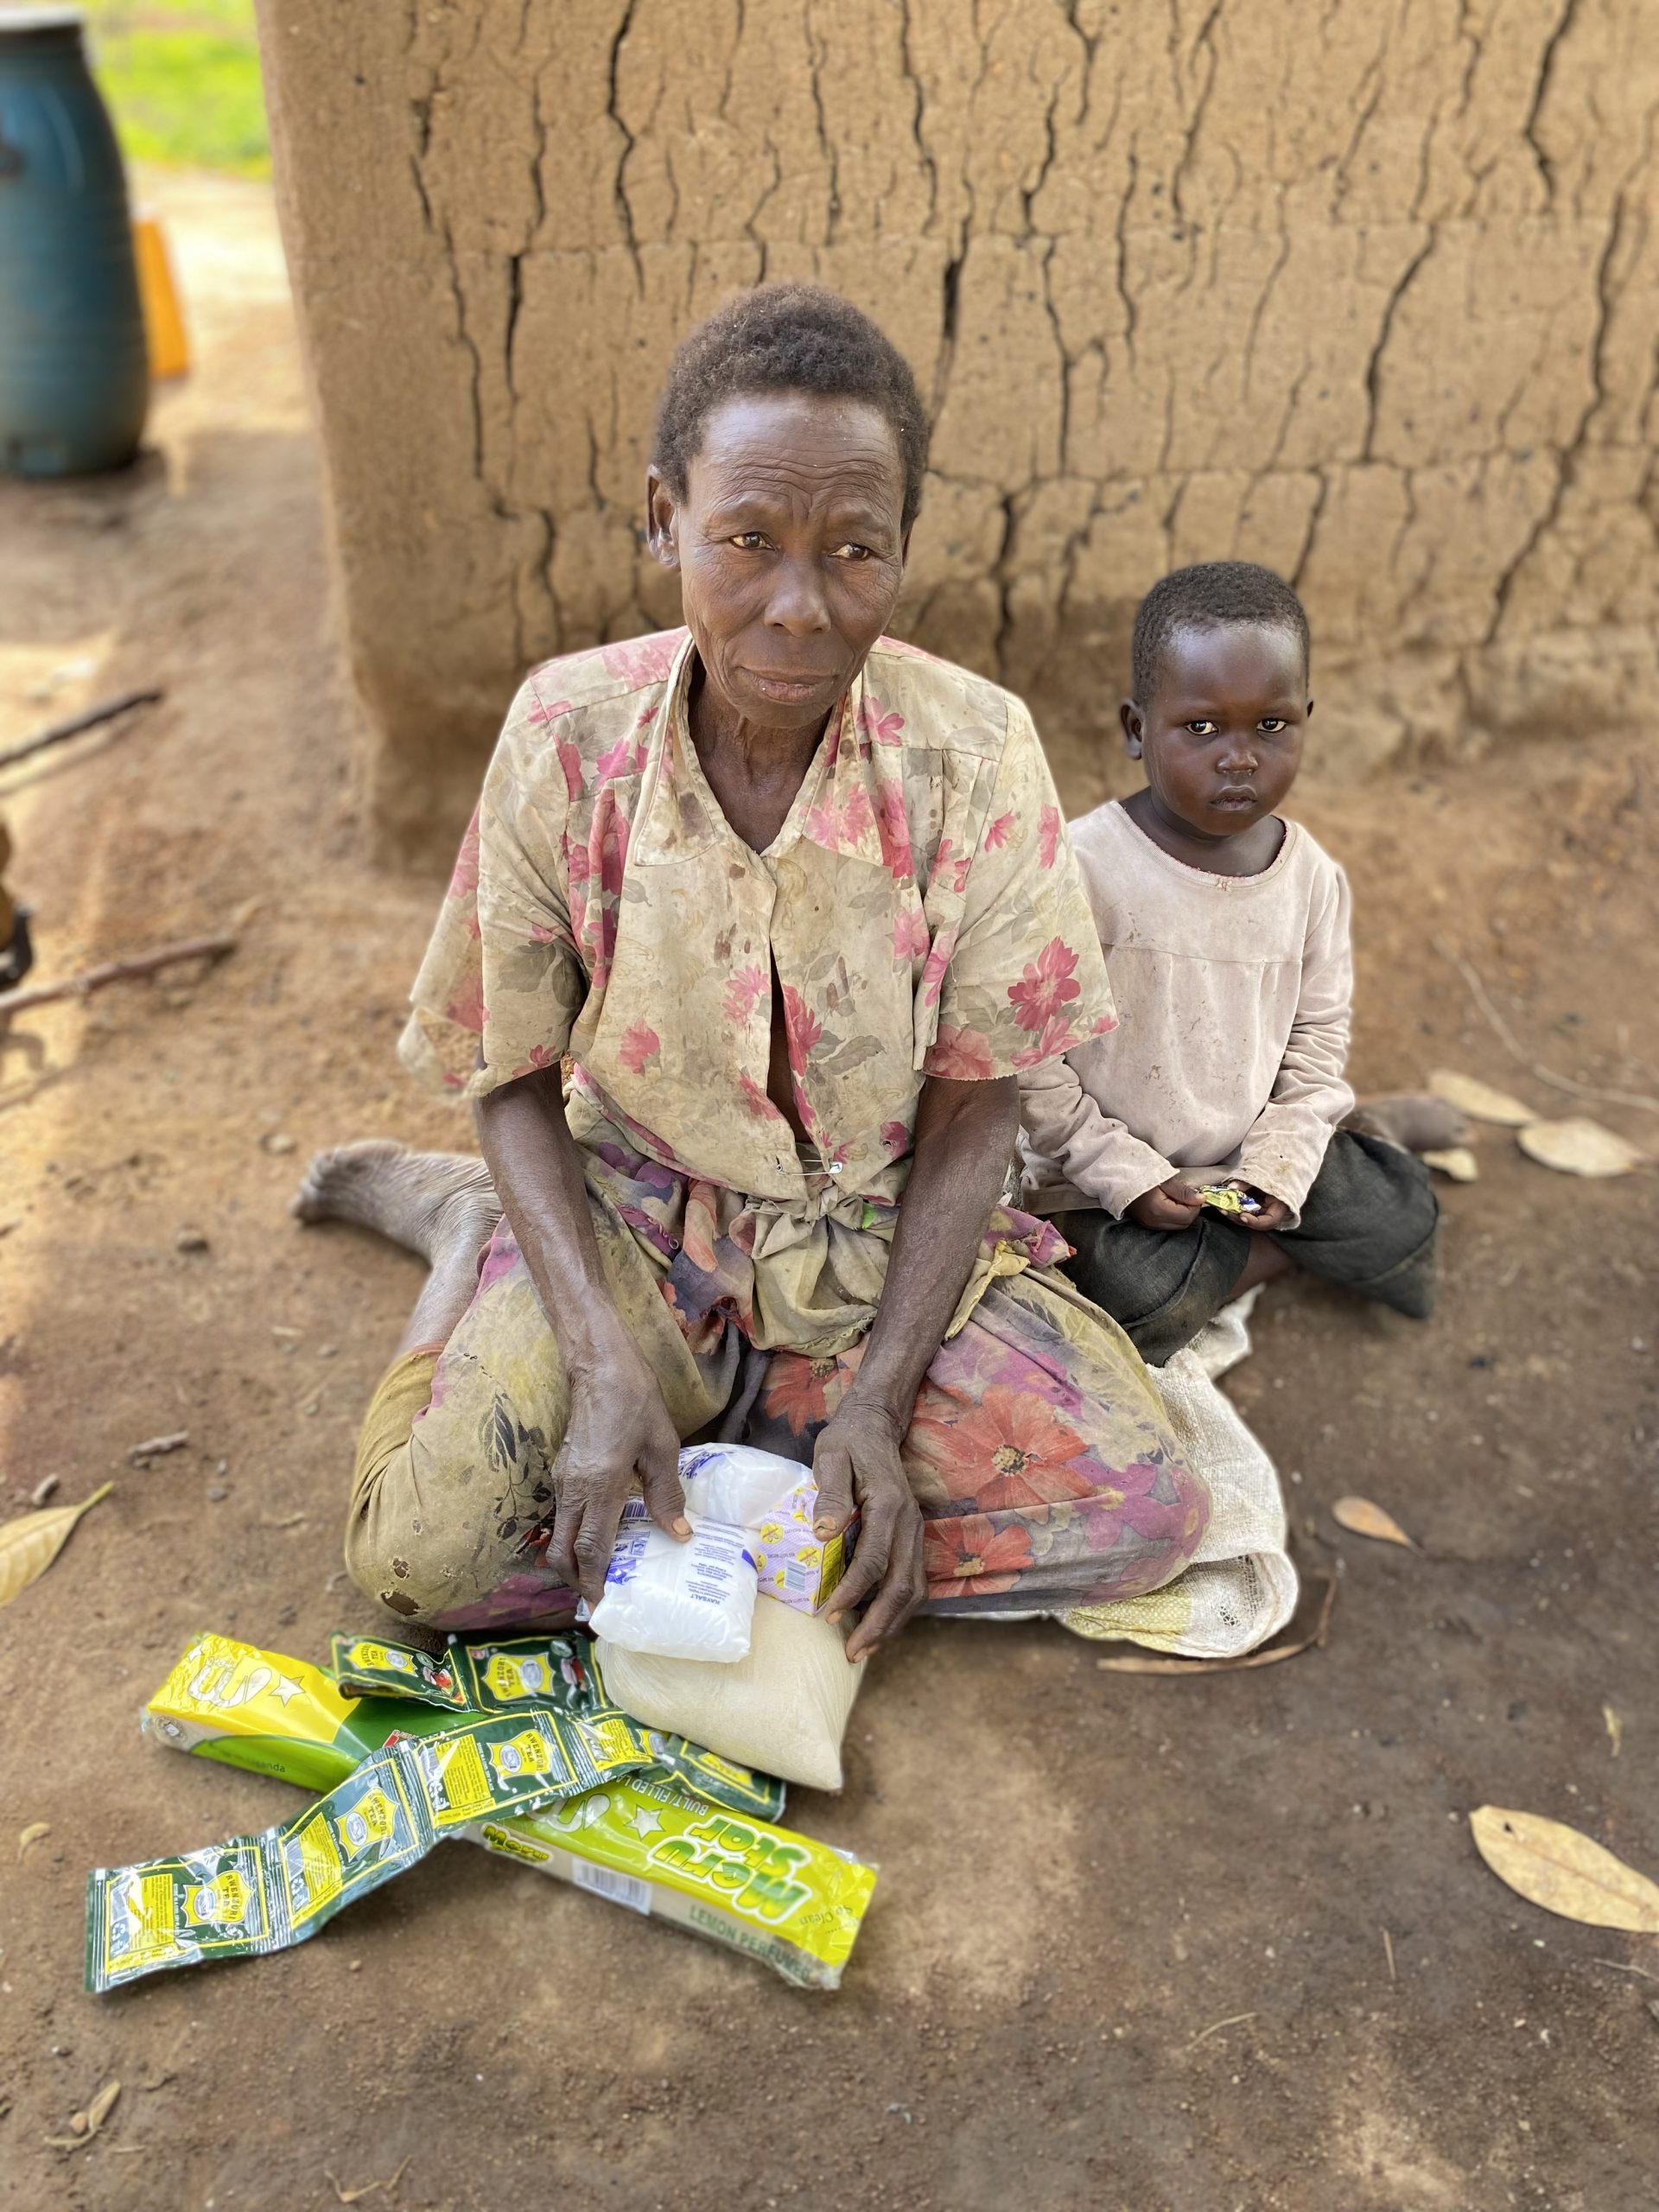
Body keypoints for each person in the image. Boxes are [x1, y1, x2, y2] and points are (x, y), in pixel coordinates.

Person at [297, 284, 1211, 1662]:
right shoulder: (568, 735)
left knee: (1146, 1508)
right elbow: (512, 1071)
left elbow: (978, 1110)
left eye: (856, 550)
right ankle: (472, 1238)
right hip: (633, 1218)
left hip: (873, 1243)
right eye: (746, 540)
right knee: (421, 1560)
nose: (799, 606)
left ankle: (765, 1430)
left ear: (901, 549)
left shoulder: (973, 754)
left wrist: (880, 1404)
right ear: (664, 514)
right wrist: (601, 1363)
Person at [1019, 561, 1440, 1366]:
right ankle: (1259, 1261)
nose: (1240, 758)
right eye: (1203, 728)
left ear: (1306, 720)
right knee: (1121, 1303)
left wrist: (1279, 1173)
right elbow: (1033, 1068)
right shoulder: (1079, 869)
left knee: (1404, 1215)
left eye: (1271, 726)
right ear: (1137, 727)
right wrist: (1129, 1176)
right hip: (1105, 1181)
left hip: (1248, 1160)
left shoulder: (1311, 878)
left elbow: (1315, 1043)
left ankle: (1249, 1246)